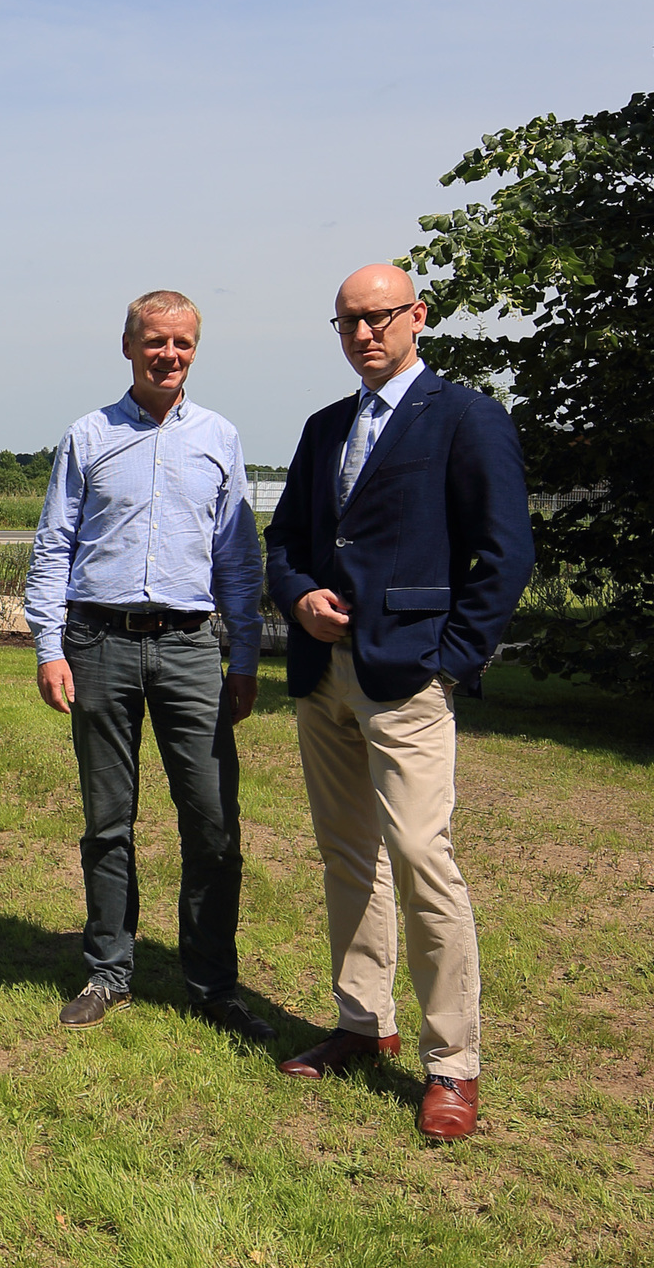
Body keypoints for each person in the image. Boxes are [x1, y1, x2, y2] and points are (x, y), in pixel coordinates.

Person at [265, 264, 533, 1141]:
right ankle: (360, 1022)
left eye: (379, 318)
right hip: (323, 676)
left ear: (418, 316)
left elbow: (506, 556)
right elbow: (286, 543)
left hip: (409, 676)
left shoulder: (465, 416)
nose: (363, 335)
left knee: (422, 859)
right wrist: (298, 594)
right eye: (347, 323)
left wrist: (450, 660)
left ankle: (453, 1066)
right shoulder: (324, 427)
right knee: (350, 858)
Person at [25, 290, 269, 1041]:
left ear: (196, 349)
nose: (169, 355)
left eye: (183, 343)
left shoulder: (219, 437)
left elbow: (237, 556)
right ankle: (108, 971)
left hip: (192, 648)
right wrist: (49, 647)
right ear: (128, 346)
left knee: (213, 822)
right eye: (155, 341)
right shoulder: (88, 435)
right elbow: (53, 546)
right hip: (100, 645)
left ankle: (212, 983)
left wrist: (247, 657)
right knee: (108, 822)